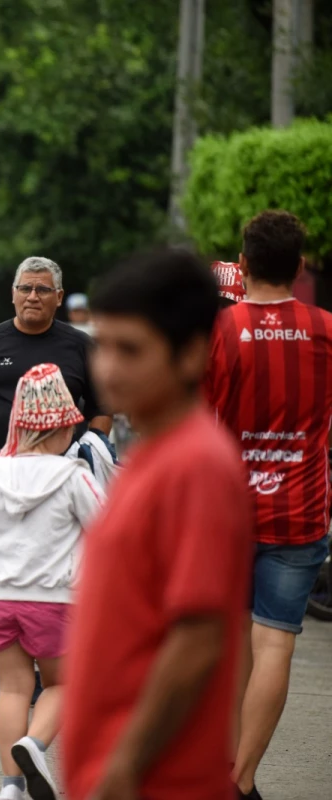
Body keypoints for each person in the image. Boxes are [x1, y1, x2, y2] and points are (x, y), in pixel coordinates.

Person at [62, 249, 252, 800]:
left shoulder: (197, 465)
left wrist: (125, 763)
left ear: (192, 354)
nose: (109, 368)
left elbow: (198, 637)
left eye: (132, 350)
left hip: (157, 779)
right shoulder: (148, 453)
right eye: (103, 346)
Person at [0, 255, 111, 702]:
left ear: (58, 296)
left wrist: (90, 447)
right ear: (13, 293)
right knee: (1, 558)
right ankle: (4, 665)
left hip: (62, 478)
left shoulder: (80, 347)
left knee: (47, 562)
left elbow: (103, 412)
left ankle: (41, 657)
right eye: (25, 288)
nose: (32, 296)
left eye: (41, 289)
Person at [202, 211, 332, 800]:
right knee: (275, 641)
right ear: (301, 268)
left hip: (227, 514)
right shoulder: (327, 329)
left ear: (244, 265)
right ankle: (241, 777)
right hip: (301, 514)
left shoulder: (221, 333)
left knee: (232, 643)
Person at [0, 363, 103, 800]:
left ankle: (10, 788)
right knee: (63, 685)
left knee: (13, 690)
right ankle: (34, 745)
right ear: (57, 430)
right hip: (54, 601)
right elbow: (109, 531)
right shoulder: (75, 478)